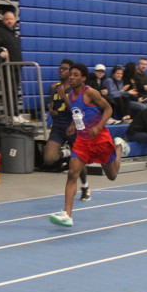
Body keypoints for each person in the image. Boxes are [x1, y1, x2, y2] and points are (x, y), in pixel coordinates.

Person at [49, 63, 121, 227]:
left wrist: (99, 126)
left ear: (83, 78)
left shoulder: (90, 92)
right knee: (72, 173)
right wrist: (73, 126)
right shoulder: (70, 95)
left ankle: (118, 146)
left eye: (76, 75)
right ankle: (67, 215)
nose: (71, 77)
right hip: (82, 142)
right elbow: (78, 113)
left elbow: (108, 109)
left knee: (112, 176)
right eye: (70, 75)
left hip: (99, 139)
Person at [42, 60, 90, 200]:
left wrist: (64, 96)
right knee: (48, 159)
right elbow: (51, 102)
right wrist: (51, 110)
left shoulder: (77, 89)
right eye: (60, 68)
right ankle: (67, 152)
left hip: (73, 127)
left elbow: (77, 110)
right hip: (58, 127)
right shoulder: (55, 87)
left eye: (64, 68)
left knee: (78, 164)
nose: (61, 70)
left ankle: (85, 186)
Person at [0, 10, 23, 118]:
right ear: (3, 20)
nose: (9, 21)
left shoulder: (14, 34)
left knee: (14, 91)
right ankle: (11, 114)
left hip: (16, 66)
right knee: (10, 91)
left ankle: (15, 113)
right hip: (7, 67)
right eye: (7, 19)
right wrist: (0, 51)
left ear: (15, 20)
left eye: (11, 19)